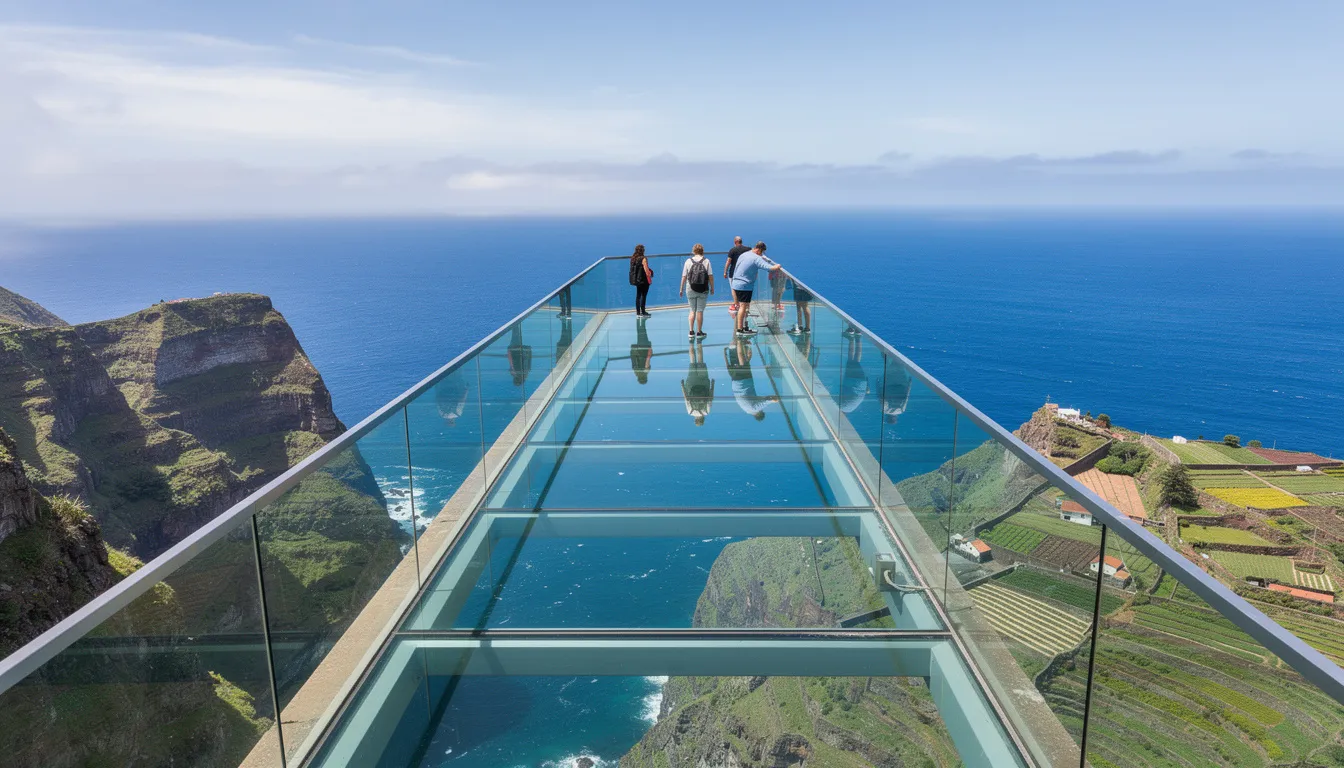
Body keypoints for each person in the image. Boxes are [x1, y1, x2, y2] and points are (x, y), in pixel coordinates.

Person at [729, 241, 782, 336]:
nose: (762, 254)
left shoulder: (745, 254)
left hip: (736, 283)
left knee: (744, 306)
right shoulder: (756, 258)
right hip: (745, 285)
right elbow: (769, 268)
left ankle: (744, 327)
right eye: (762, 252)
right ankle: (740, 330)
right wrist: (777, 266)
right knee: (743, 307)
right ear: (759, 250)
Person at [725, 336, 779, 420]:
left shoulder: (755, 409)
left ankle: (739, 339)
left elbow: (767, 401)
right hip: (736, 384)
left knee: (742, 360)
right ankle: (738, 343)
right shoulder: (747, 410)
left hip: (745, 382)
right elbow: (763, 399)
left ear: (760, 413)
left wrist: (775, 399)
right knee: (742, 362)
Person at [679, 243, 714, 339]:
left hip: (690, 288)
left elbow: (684, 276)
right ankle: (699, 332)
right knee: (699, 311)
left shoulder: (688, 261)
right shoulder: (706, 261)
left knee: (692, 310)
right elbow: (710, 276)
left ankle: (691, 331)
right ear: (702, 251)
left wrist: (681, 288)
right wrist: (712, 288)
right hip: (703, 289)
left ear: (693, 251)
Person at [681, 341, 715, 426]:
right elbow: (686, 399)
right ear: (695, 420)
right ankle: (691, 342)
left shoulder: (706, 412)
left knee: (700, 360)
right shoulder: (690, 412)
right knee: (692, 361)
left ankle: (699, 341)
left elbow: (710, 398)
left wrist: (712, 384)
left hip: (704, 383)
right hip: (691, 383)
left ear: (703, 419)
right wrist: (682, 386)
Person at [723, 236, 750, 315]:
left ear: (735, 242)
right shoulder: (748, 249)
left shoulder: (732, 250)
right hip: (745, 273)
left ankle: (736, 305)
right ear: (741, 241)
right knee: (746, 289)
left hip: (733, 273)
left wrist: (725, 272)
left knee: (734, 289)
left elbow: (728, 261)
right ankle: (746, 306)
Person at [629, 244, 653, 317]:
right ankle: (643, 312)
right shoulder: (643, 259)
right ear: (643, 251)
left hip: (637, 280)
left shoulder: (633, 259)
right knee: (644, 296)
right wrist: (650, 274)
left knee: (638, 296)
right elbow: (646, 270)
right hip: (644, 280)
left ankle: (638, 313)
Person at [630, 318, 653, 384]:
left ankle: (640, 320)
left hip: (643, 350)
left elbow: (648, 359)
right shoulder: (636, 372)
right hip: (637, 350)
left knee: (642, 333)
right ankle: (641, 321)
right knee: (640, 333)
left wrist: (650, 349)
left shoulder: (645, 372)